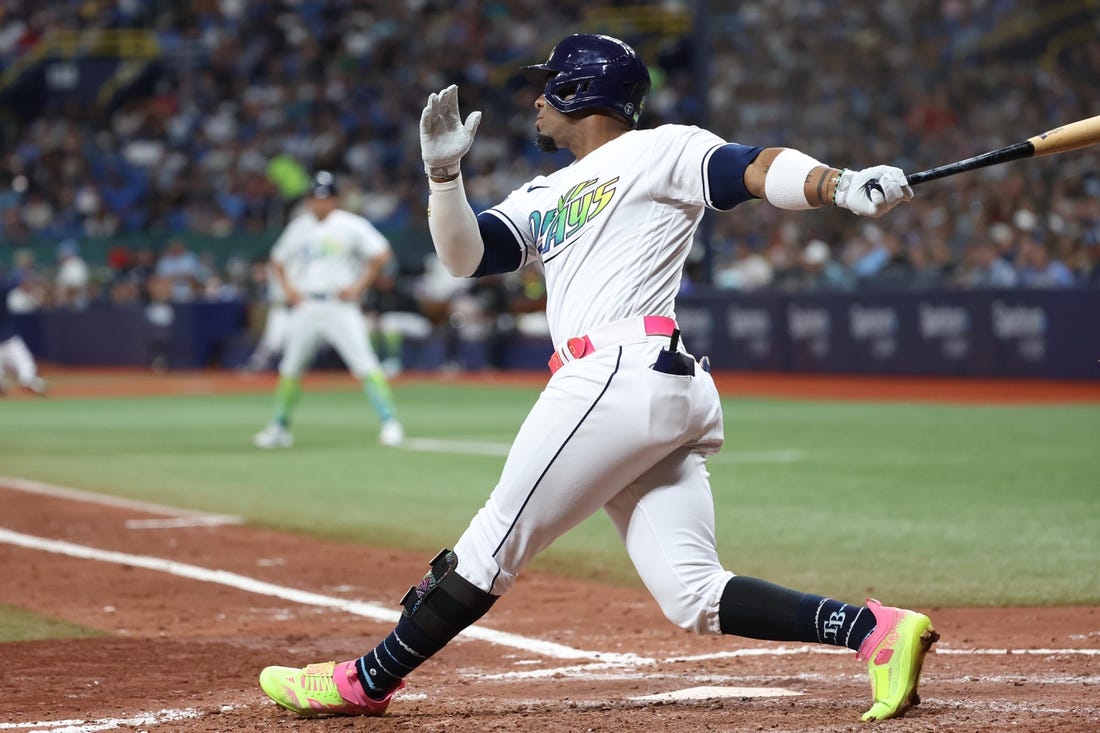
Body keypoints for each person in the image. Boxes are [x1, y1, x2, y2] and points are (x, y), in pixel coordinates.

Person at [258, 34, 936, 721]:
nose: (536, 98)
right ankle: (872, 631)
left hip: (616, 372)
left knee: (493, 542)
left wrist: (838, 183)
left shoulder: (660, 148)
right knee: (693, 593)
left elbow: (755, 167)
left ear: (582, 93)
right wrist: (443, 179)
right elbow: (464, 255)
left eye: (548, 84)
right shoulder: (545, 191)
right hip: (654, 386)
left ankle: (365, 680)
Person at [253, 171, 404, 449]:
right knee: (290, 367)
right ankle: (279, 427)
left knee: (365, 364)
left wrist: (359, 286)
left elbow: (382, 254)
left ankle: (390, 423)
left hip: (340, 305)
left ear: (335, 199)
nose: (318, 203)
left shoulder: (350, 224)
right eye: (313, 197)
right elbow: (277, 260)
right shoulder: (299, 226)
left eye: (324, 197)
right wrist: (288, 289)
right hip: (307, 304)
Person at [0, 268, 47, 395]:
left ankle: (3, 383)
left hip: (7, 336)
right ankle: (28, 380)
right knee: (26, 368)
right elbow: (16, 280)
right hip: (9, 338)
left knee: (24, 367)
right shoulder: (3, 287)